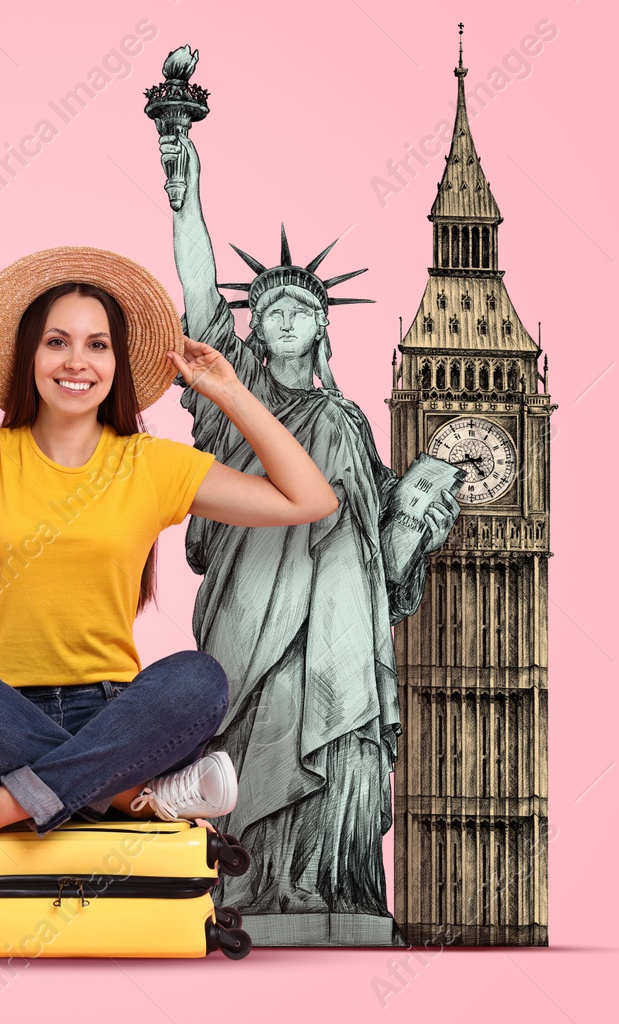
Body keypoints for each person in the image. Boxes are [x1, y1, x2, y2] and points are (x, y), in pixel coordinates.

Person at [0, 246, 340, 880]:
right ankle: (121, 797)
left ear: (119, 363)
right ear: (31, 357)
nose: (76, 362)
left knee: (199, 679)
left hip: (117, 715)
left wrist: (230, 392)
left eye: (97, 345)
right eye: (57, 342)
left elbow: (310, 498)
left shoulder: (153, 465)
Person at [159, 129, 460, 918]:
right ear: (252, 326)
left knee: (328, 721)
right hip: (249, 593)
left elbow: (379, 543)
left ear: (324, 326)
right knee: (254, 717)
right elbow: (197, 307)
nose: (286, 315)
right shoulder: (236, 400)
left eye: (302, 307)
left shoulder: (348, 421)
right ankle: (249, 881)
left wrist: (419, 519)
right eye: (269, 307)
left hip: (338, 616)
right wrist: (187, 203)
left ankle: (323, 884)